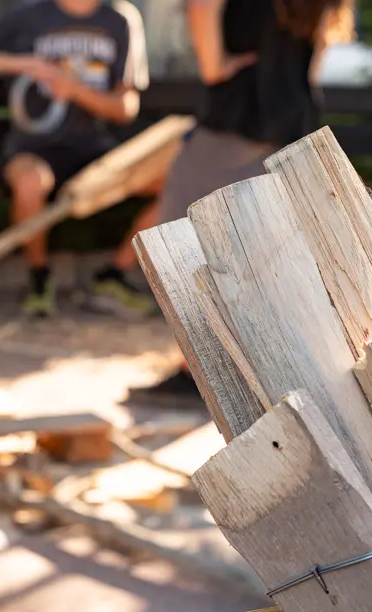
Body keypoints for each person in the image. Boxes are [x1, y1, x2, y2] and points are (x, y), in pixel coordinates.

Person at [126, 0, 355, 406]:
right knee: (261, 250)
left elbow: (202, 9)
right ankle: (255, 370)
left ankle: (203, 374)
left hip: (235, 116)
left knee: (183, 247)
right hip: (291, 119)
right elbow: (319, 50)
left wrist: (215, 66)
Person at [0, 0, 161, 318]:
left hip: (95, 153)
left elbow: (126, 108)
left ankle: (114, 275)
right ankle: (39, 279)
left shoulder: (120, 18)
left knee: (180, 180)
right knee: (30, 182)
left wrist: (75, 89)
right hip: (33, 149)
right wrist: (25, 64)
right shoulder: (27, 14)